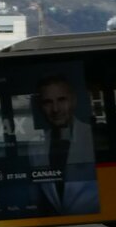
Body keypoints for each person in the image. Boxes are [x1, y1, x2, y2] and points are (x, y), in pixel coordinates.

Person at [28, 74, 98, 215]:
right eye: (48, 102)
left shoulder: (93, 136)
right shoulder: (35, 147)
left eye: (61, 100)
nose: (55, 109)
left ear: (73, 101)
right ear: (41, 106)